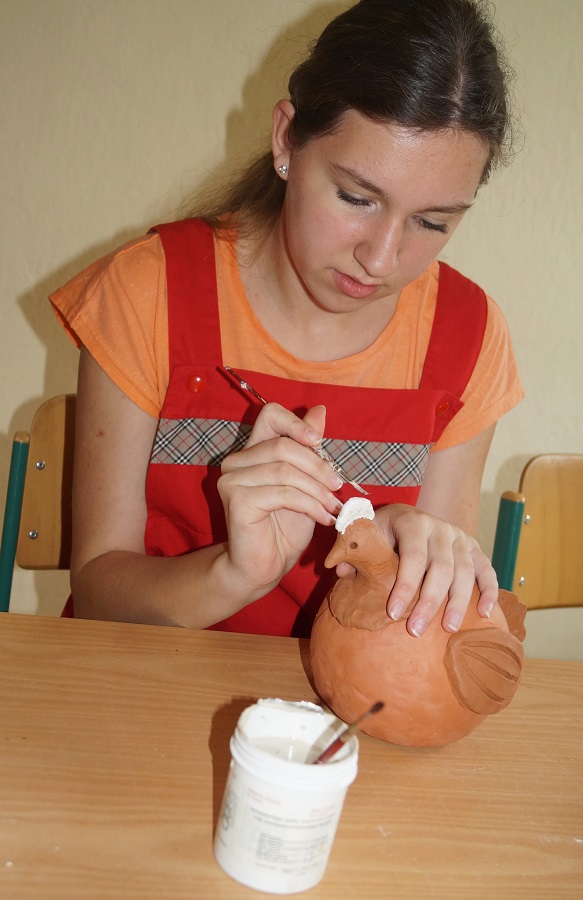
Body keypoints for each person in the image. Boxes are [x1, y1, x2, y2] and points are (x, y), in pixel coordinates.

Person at [50, 0, 523, 639]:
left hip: (344, 693)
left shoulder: (466, 337)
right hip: (143, 679)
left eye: (431, 222)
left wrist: (410, 561)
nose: (381, 258)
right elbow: (97, 594)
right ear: (286, 140)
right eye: (356, 197)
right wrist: (232, 574)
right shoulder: (148, 292)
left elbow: (426, 634)